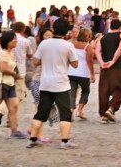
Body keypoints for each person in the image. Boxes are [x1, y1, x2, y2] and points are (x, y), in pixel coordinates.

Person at [27, 16, 79, 149]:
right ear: (67, 31)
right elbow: (75, 64)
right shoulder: (68, 45)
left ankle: (33, 138)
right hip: (61, 84)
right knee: (65, 113)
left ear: (53, 28)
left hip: (45, 82)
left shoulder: (44, 43)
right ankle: (65, 141)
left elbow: (35, 61)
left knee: (41, 112)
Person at [96, 17, 121, 123]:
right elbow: (120, 49)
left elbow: (97, 51)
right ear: (120, 27)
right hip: (117, 67)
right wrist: (113, 61)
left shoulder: (102, 36)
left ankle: (104, 115)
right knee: (119, 89)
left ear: (110, 26)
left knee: (103, 92)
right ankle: (111, 108)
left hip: (104, 67)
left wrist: (101, 63)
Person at [68, 27, 95, 121]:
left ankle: (70, 113)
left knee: (72, 92)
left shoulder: (72, 44)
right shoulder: (88, 46)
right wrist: (92, 74)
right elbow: (89, 61)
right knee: (85, 91)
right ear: (87, 36)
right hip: (84, 73)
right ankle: (79, 111)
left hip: (71, 72)